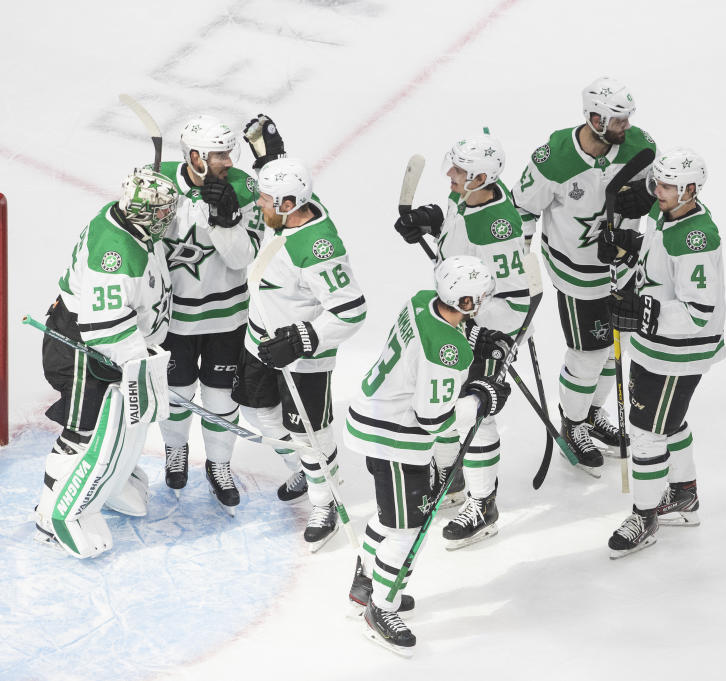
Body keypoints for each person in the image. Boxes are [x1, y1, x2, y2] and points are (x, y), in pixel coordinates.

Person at [343, 256, 511, 654]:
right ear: (467, 300)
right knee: (408, 529)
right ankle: (379, 609)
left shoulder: (421, 300)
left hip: (372, 417)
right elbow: (435, 419)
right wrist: (480, 396)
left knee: (390, 516)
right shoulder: (446, 350)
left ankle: (366, 584)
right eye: (479, 299)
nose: (484, 302)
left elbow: (435, 344)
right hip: (397, 438)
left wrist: (472, 340)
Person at [512, 76, 657, 470]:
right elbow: (523, 209)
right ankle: (573, 421)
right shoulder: (553, 158)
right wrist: (517, 268)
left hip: (624, 267)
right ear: (594, 118)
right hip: (576, 274)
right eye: (617, 120)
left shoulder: (639, 146)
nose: (625, 127)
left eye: (627, 119)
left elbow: (657, 191)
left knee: (617, 347)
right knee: (587, 353)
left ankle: (593, 412)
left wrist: (642, 200)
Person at [34, 166, 177, 558]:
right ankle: (51, 513)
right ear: (145, 214)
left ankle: (111, 484)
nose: (171, 218)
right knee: (82, 431)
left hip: (108, 347)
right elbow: (103, 327)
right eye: (164, 212)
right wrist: (143, 359)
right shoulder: (114, 255)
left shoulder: (133, 225)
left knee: (117, 422)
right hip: (82, 348)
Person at [392, 134, 525, 548]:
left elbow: (516, 300)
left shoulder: (497, 228)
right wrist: (430, 219)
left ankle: (483, 505)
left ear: (481, 177)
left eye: (459, 171)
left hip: (487, 330)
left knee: (478, 414)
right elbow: (455, 225)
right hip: (455, 318)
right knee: (439, 397)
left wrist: (481, 333)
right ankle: (452, 480)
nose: (448, 173)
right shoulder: (469, 195)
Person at [231, 156, 367, 550]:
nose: (259, 204)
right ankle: (307, 472)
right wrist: (269, 156)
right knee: (263, 415)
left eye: (266, 199)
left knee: (310, 435)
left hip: (302, 359)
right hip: (259, 344)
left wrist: (301, 339)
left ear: (288, 205)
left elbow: (352, 309)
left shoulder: (319, 248)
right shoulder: (293, 212)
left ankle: (324, 502)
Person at [603, 149, 726, 558]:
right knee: (668, 423)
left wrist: (644, 312)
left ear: (691, 190)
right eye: (659, 182)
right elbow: (655, 260)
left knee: (647, 432)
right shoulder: (662, 213)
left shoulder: (696, 238)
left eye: (669, 186)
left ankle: (646, 513)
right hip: (656, 343)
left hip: (680, 351)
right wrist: (628, 246)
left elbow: (699, 312)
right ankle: (685, 496)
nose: (658, 191)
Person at [156, 114, 269, 513]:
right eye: (218, 153)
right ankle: (175, 450)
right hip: (172, 318)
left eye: (228, 152)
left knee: (221, 399)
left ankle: (219, 465)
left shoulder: (244, 189)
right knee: (175, 394)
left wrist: (226, 219)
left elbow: (244, 258)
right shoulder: (160, 183)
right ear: (195, 156)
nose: (228, 160)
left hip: (227, 317)